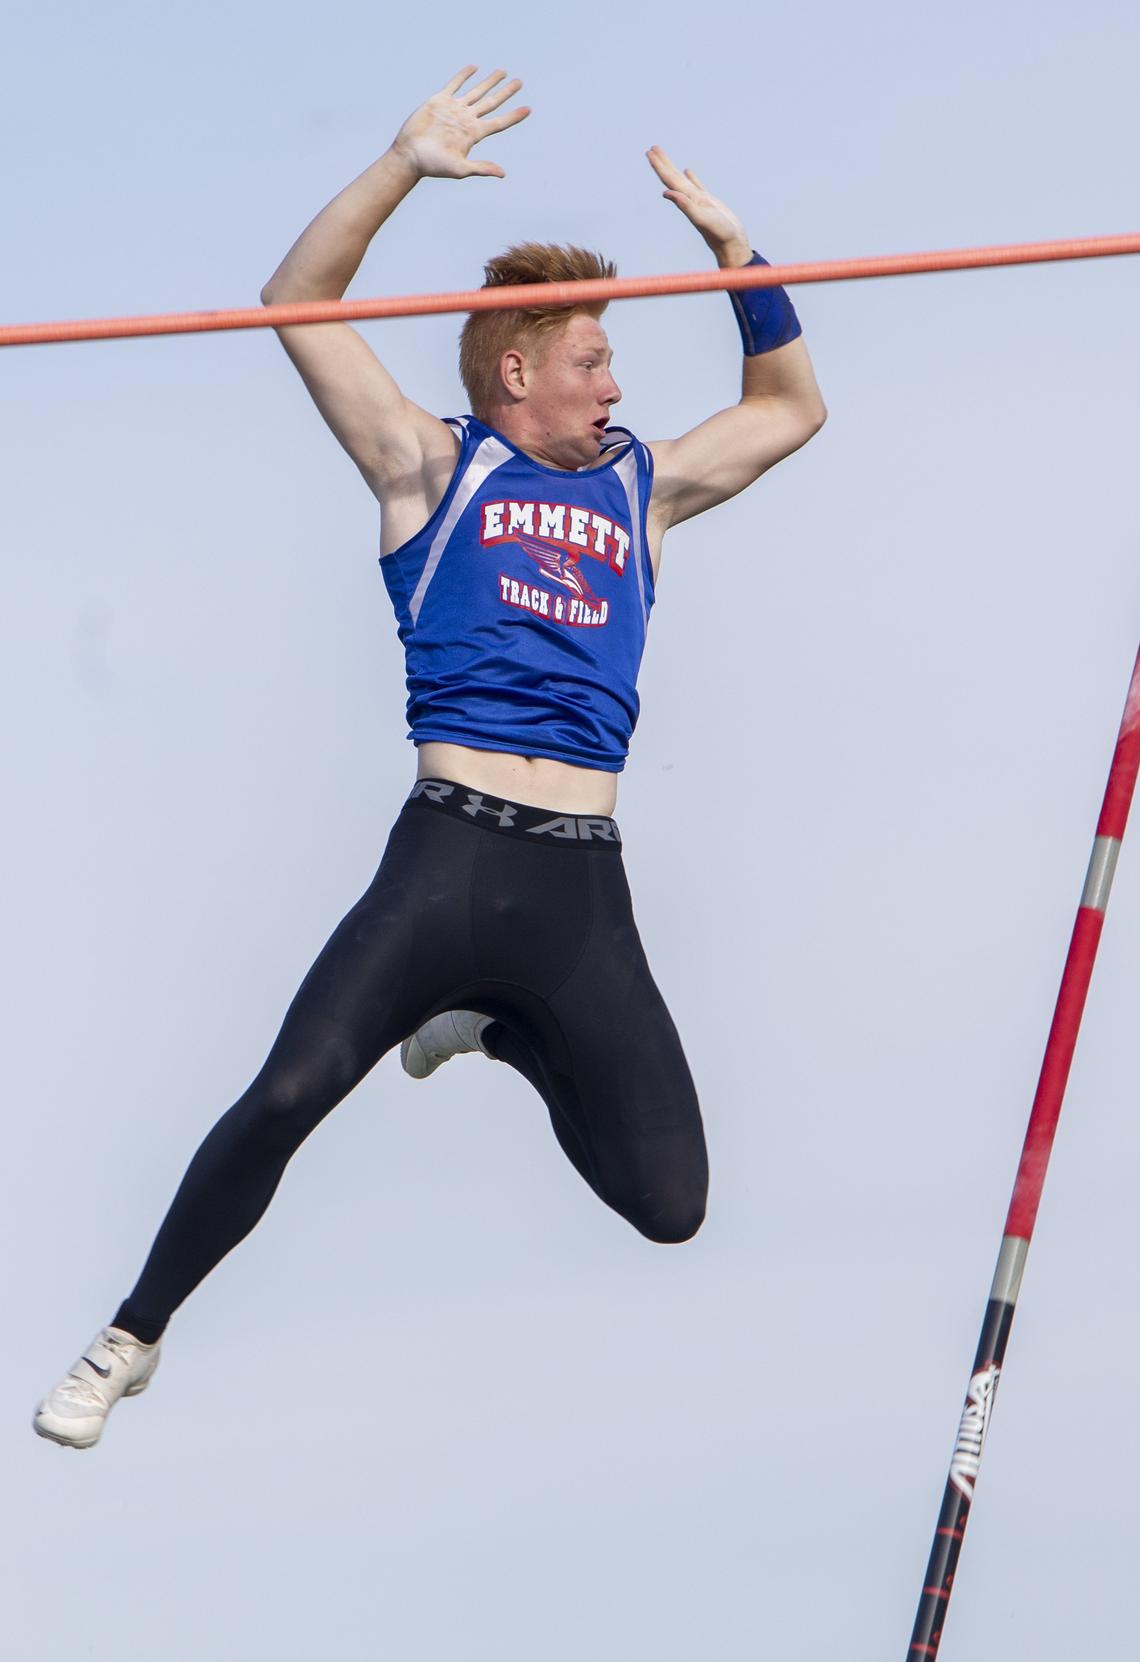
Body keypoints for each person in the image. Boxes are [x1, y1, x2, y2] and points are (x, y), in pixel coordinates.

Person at [34, 65, 826, 1448]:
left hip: (583, 884)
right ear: (518, 369)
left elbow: (790, 408)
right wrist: (401, 165)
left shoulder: (645, 485)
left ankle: (495, 1028)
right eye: (595, 360)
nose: (618, 383)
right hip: (446, 856)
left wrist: (739, 260)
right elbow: (297, 300)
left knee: (672, 1206)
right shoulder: (430, 466)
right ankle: (132, 1332)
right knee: (290, 1091)